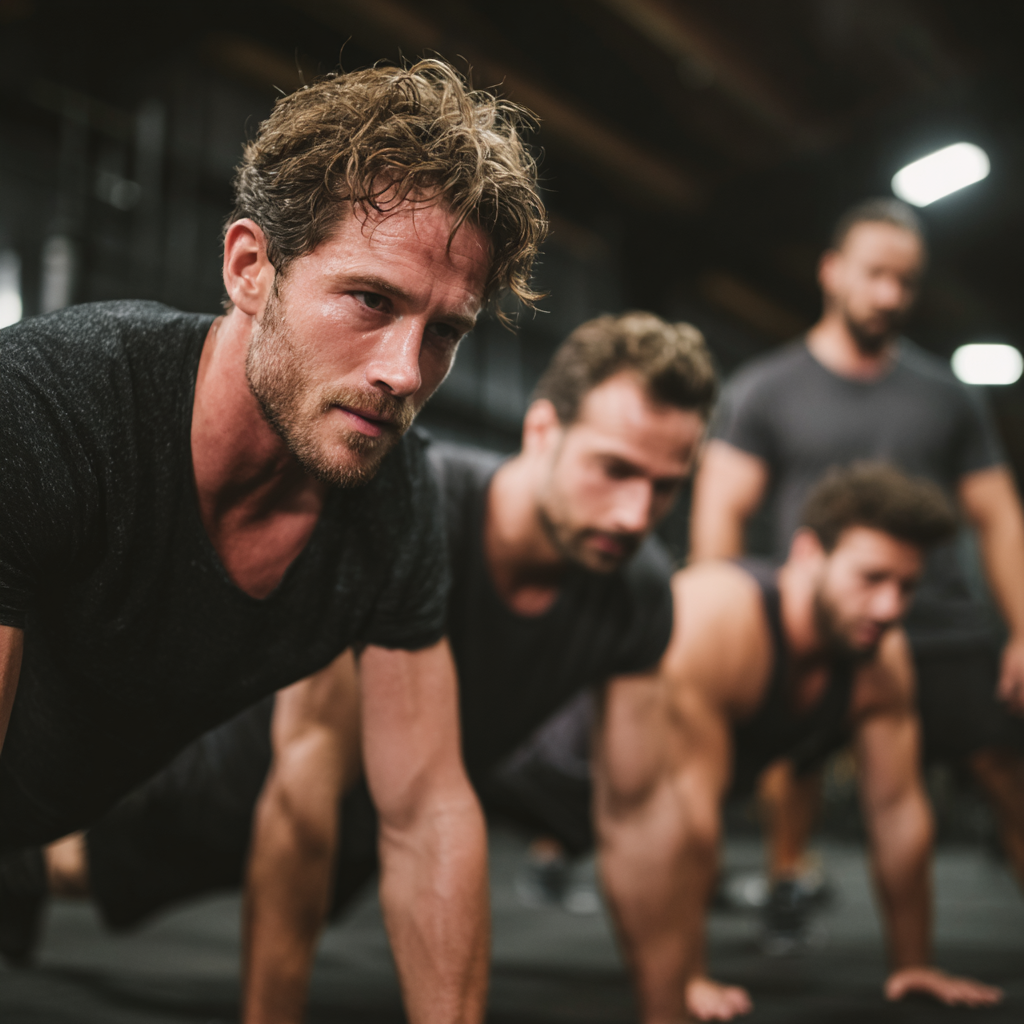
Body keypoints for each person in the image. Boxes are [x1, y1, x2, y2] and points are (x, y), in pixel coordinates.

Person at [0, 59, 548, 1022]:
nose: (405, 371)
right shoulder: (54, 405)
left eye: (445, 331)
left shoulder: (392, 504)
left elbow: (425, 813)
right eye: (371, 299)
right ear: (250, 267)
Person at [3, 313, 717, 1023]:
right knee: (57, 865)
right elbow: (301, 791)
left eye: (665, 487)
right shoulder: (413, 509)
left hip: (369, 824)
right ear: (541, 433)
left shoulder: (639, 589)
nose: (633, 515)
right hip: (232, 786)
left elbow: (638, 810)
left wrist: (670, 1006)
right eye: (614, 469)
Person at [689, 197, 1024, 943]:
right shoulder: (766, 390)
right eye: (875, 275)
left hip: (937, 617)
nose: (888, 296)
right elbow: (721, 506)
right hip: (813, 621)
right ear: (832, 272)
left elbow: (999, 515)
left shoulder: (947, 397)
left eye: (904, 282)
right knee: (789, 770)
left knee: (1005, 764)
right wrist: (724, 627)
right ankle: (786, 883)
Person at [601, 463, 1004, 1021]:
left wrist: (915, 962)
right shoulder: (719, 615)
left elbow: (897, 810)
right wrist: (685, 977)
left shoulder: (880, 658)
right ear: (809, 552)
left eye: (906, 587)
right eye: (871, 578)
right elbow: (683, 818)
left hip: (645, 810)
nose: (889, 608)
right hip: (556, 769)